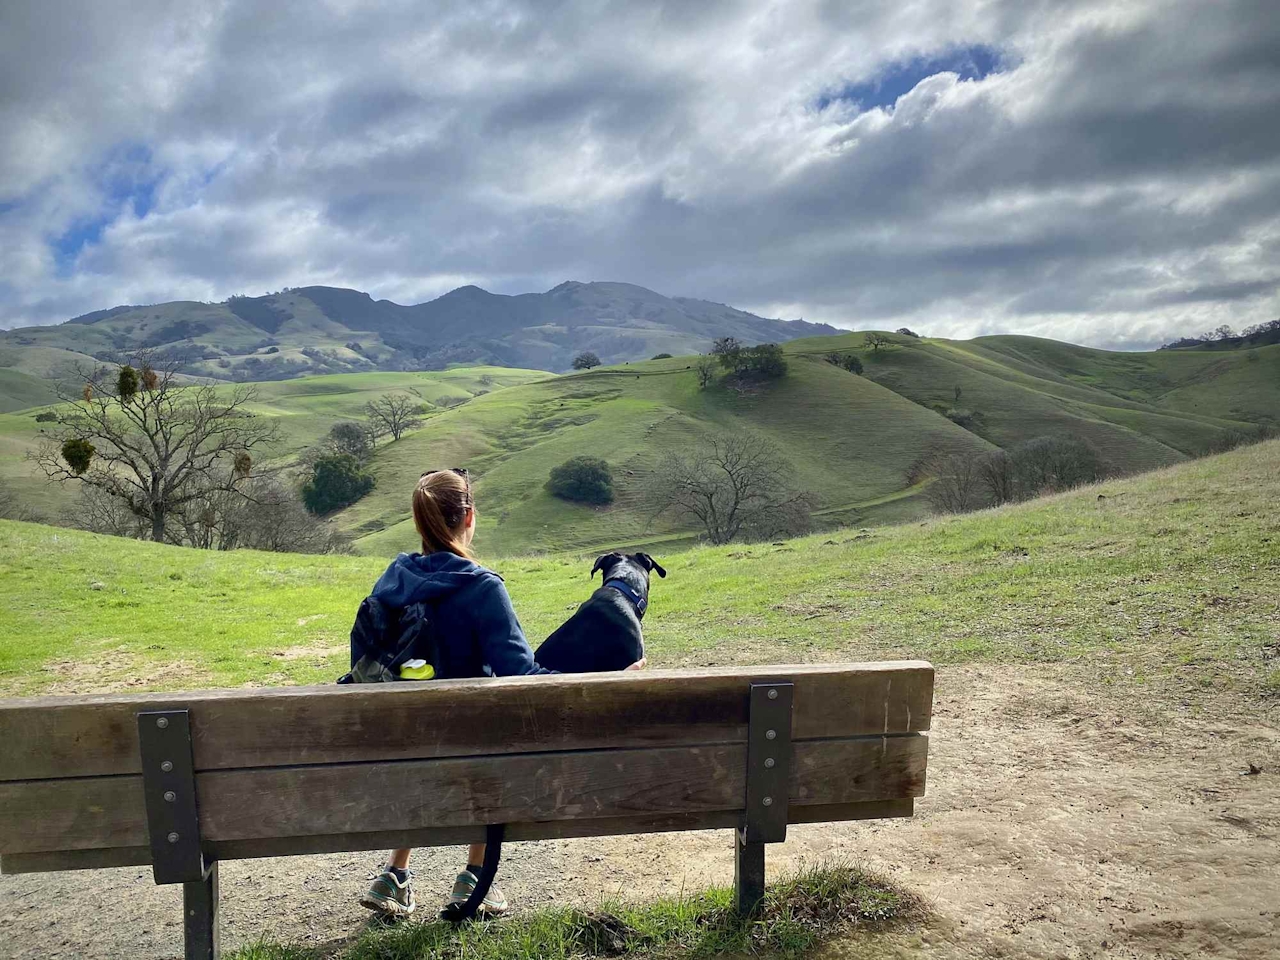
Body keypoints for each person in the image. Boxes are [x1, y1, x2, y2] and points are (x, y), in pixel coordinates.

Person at [358, 467, 643, 919]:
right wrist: (611, 678)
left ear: (420, 522)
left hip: (403, 747)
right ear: (468, 517)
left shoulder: (392, 580)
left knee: (420, 724)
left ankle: (394, 874)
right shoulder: (482, 587)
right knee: (495, 729)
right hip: (473, 747)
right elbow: (522, 676)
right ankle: (475, 876)